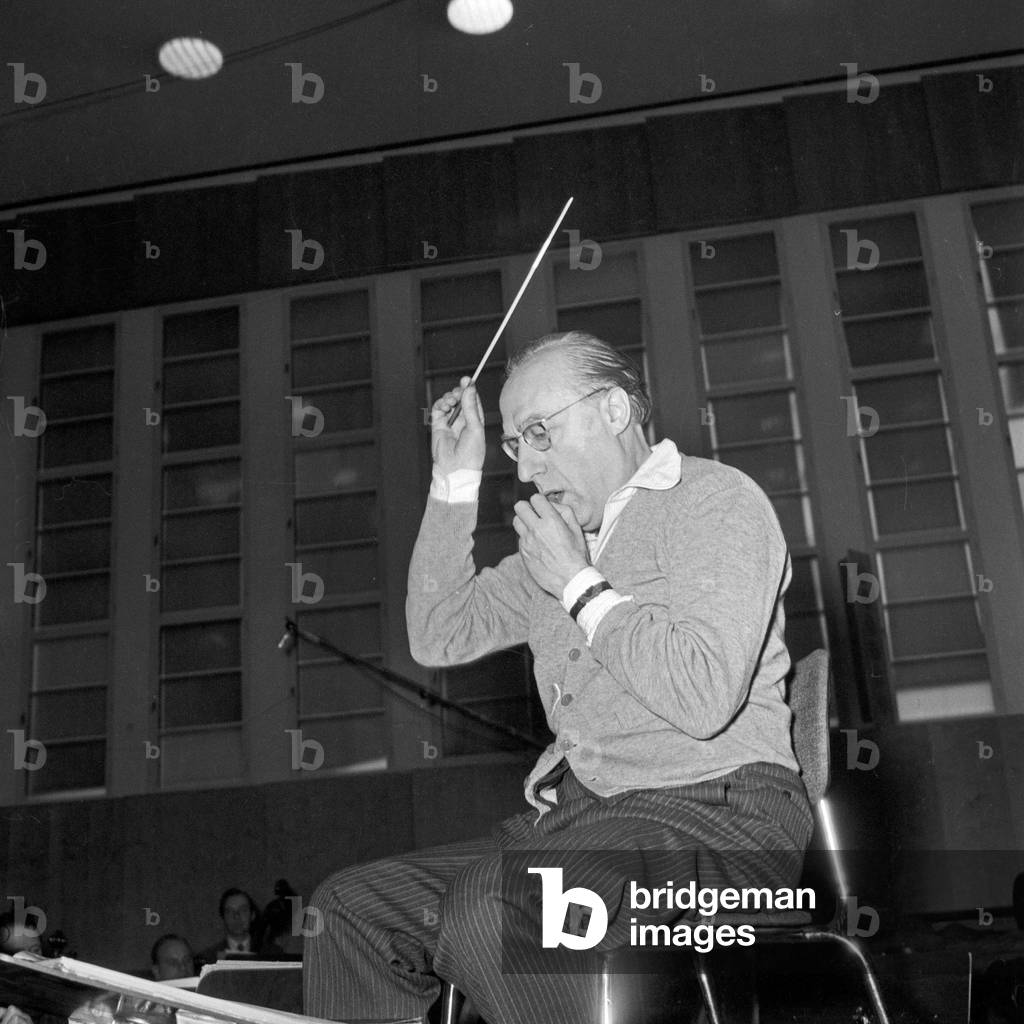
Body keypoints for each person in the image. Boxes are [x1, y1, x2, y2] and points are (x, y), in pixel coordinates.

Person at [304, 331, 814, 1024]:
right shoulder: (559, 550)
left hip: (719, 820)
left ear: (613, 410)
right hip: (583, 824)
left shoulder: (715, 501)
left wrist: (579, 584)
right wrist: (454, 480)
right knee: (348, 910)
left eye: (540, 432)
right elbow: (438, 631)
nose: (525, 467)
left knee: (500, 907)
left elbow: (703, 694)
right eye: (515, 444)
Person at [196, 889, 281, 964]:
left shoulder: (273, 954)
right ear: (223, 917)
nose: (236, 916)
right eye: (230, 911)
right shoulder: (208, 958)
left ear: (252, 915)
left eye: (243, 910)